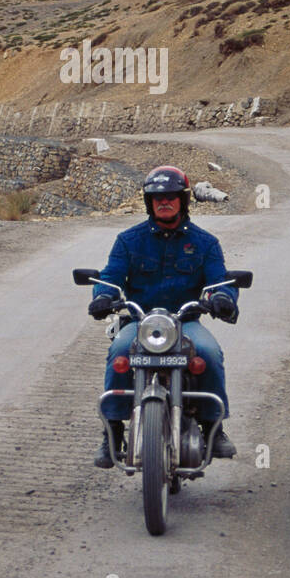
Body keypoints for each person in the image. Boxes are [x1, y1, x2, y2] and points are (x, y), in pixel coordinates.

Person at [89, 165, 239, 468]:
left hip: (186, 322)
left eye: (171, 196)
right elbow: (111, 276)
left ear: (183, 200)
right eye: (157, 198)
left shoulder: (205, 243)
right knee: (119, 351)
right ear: (149, 202)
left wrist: (222, 298)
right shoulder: (128, 240)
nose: (164, 202)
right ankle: (113, 432)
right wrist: (103, 296)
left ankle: (214, 426)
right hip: (140, 322)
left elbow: (218, 281)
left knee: (209, 353)